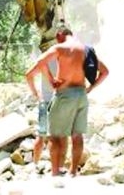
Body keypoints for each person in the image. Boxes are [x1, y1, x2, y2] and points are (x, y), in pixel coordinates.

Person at [25, 26, 109, 177]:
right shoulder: (86, 50)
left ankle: (55, 172)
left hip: (65, 95)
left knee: (55, 136)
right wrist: (90, 88)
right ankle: (73, 172)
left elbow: (38, 64)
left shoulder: (59, 48)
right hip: (82, 96)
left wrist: (50, 80)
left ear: (59, 36)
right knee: (77, 135)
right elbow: (105, 72)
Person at [25, 40, 58, 168]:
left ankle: (35, 165)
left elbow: (28, 75)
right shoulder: (65, 57)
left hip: (44, 101)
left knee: (41, 136)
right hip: (58, 101)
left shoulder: (43, 60)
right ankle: (55, 167)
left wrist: (36, 93)